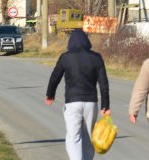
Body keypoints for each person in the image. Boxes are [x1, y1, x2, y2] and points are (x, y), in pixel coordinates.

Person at [46, 29, 110, 160]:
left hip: (72, 102)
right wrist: (105, 105)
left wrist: (50, 95)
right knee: (88, 137)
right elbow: (104, 84)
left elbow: (55, 77)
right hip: (91, 103)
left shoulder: (66, 57)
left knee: (73, 137)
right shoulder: (96, 58)